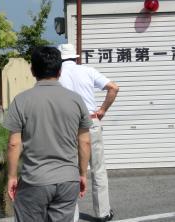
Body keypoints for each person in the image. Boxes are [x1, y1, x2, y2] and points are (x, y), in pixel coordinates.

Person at [4, 46, 92, 222]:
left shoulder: (21, 100)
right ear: (59, 71)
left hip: (34, 180)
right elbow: (85, 142)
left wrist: (12, 176)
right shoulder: (76, 100)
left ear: (32, 70)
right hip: (68, 180)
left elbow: (14, 144)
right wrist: (82, 174)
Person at [57, 43, 119, 222]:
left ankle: (72, 216)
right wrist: (102, 110)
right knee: (98, 168)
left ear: (60, 59)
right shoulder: (88, 71)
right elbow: (114, 87)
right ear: (76, 57)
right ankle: (103, 213)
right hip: (90, 120)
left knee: (69, 170)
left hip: (66, 125)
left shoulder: (56, 75)